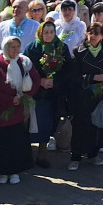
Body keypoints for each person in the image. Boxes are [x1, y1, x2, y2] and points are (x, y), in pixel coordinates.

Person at [0, 35, 41, 183]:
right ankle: (3, 172)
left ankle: (15, 171)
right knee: (3, 140)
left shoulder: (25, 62)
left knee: (18, 140)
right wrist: (10, 100)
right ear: (5, 48)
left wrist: (27, 96)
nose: (15, 50)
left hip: (20, 111)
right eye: (11, 46)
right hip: (2, 111)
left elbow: (36, 79)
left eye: (17, 46)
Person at [67, 23, 103, 169]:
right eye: (91, 32)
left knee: (96, 126)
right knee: (80, 126)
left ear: (102, 36)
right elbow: (73, 77)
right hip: (82, 95)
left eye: (97, 33)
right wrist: (93, 77)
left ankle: (93, 154)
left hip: (100, 95)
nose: (93, 36)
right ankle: (75, 157)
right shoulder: (77, 51)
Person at [23, 20, 69, 168]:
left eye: (51, 32)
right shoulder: (32, 48)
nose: (48, 35)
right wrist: (40, 81)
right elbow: (25, 68)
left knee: (47, 124)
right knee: (30, 123)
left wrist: (54, 81)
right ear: (40, 33)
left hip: (53, 94)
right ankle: (26, 154)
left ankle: (42, 154)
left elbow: (68, 70)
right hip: (35, 93)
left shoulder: (61, 47)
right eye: (46, 32)